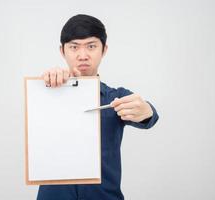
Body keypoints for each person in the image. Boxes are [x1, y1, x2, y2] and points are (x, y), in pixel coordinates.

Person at [37, 14, 159, 200]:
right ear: (62, 51)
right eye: (74, 47)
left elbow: (149, 117)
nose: (83, 55)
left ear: (104, 50)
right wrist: (46, 87)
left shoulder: (115, 97)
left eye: (91, 46)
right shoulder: (47, 93)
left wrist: (147, 111)